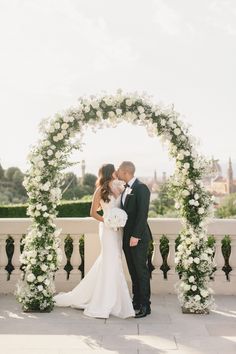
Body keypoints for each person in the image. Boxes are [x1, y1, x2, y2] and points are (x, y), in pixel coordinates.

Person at [53, 163, 135, 319]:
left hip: (119, 230)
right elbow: (93, 212)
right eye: (115, 171)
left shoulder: (120, 187)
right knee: (110, 261)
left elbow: (125, 207)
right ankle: (105, 301)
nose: (117, 172)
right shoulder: (100, 190)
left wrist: (119, 219)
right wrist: (107, 220)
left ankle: (115, 299)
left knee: (114, 261)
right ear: (111, 172)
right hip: (107, 229)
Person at [117, 161, 152, 318]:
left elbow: (142, 214)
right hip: (127, 237)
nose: (117, 172)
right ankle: (136, 301)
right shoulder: (125, 188)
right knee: (133, 271)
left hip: (138, 238)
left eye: (119, 170)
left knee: (141, 272)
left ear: (125, 172)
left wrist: (136, 236)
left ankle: (145, 305)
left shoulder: (141, 188)